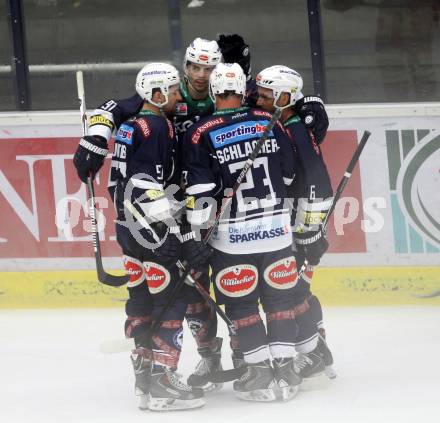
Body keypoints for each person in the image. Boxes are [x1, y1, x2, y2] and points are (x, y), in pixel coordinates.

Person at [181, 62, 303, 402]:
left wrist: (196, 237)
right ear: (243, 90)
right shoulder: (268, 121)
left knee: (242, 305)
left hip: (232, 240)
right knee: (280, 299)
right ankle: (286, 368)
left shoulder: (201, 131)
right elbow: (290, 176)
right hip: (277, 232)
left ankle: (260, 374)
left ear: (216, 92)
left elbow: (202, 193)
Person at [107, 62, 205, 411]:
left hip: (127, 228)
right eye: (174, 90)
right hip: (151, 231)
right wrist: (169, 231)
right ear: (157, 93)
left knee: (142, 303)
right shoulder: (155, 126)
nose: (179, 97)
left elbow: (117, 185)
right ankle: (164, 383)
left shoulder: (129, 126)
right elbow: (145, 184)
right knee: (170, 300)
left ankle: (145, 381)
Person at [255, 65, 336, 385]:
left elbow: (317, 181)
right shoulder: (283, 120)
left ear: (285, 97)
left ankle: (315, 350)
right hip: (290, 217)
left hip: (301, 219)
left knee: (292, 288)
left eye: (265, 96)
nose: (258, 100)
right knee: (290, 287)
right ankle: (315, 345)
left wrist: (310, 229)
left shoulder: (293, 128)